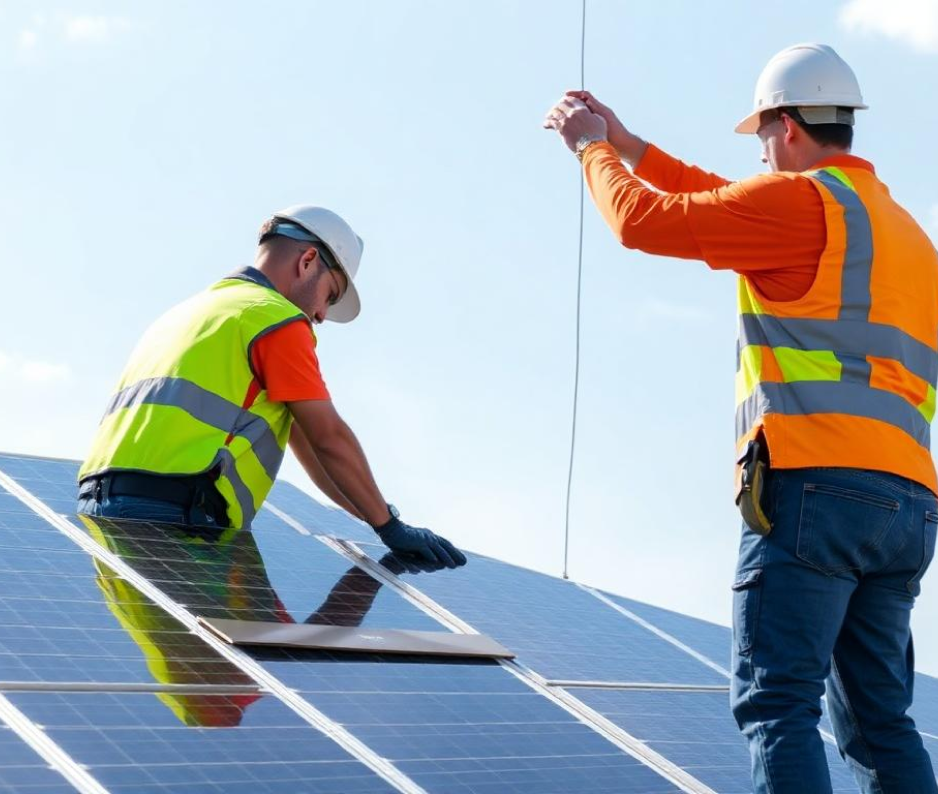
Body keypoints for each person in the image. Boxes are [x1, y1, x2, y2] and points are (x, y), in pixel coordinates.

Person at [545, 43, 938, 794]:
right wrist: (634, 146)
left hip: (816, 491)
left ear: (786, 127)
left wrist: (593, 150)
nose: (759, 155)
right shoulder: (907, 235)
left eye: (761, 137)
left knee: (778, 704)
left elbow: (643, 222)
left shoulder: (801, 205)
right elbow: (722, 199)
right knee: (884, 724)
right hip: (909, 507)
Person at [77, 205, 467, 570]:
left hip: (101, 507)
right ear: (308, 260)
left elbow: (312, 450)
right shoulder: (274, 319)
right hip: (178, 514)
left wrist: (375, 514)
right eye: (329, 296)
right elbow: (328, 438)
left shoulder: (195, 312)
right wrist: (390, 528)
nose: (321, 315)